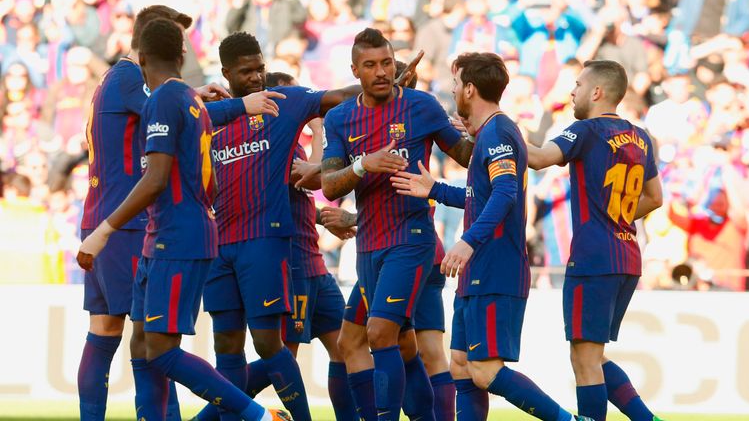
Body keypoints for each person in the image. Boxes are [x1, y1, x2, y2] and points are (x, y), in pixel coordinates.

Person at [195, 32, 419, 421]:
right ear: (226, 73)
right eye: (246, 71)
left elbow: (336, 96)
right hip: (219, 244)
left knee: (274, 344)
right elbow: (165, 119)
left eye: (260, 69)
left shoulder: (286, 104)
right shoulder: (211, 117)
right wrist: (196, 97)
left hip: (266, 243)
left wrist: (385, 80)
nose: (256, 78)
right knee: (226, 345)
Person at [76, 5, 285, 421]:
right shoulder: (135, 81)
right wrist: (239, 107)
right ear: (153, 43)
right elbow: (173, 124)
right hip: (131, 223)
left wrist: (194, 99)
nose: (180, 45)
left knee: (130, 339)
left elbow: (172, 115)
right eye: (175, 36)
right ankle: (252, 413)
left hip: (129, 221)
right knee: (147, 342)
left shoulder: (127, 84)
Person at [390, 51, 591, 421]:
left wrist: (467, 242)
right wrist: (434, 188)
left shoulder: (498, 131)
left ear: (469, 89)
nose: (451, 90)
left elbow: (504, 194)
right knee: (462, 366)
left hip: (496, 266)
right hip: (478, 268)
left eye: (455, 83)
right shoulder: (488, 133)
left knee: (484, 370)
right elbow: (476, 196)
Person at [321, 28, 473, 421]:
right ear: (355, 70)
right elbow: (330, 184)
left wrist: (486, 126)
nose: (381, 71)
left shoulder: (422, 106)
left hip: (412, 239)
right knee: (373, 342)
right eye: (370, 65)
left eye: (387, 62)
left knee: (378, 334)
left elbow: (467, 156)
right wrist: (362, 164)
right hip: (369, 244)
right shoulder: (340, 118)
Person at [526, 59, 664, 421]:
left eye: (577, 84)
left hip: (594, 258)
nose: (572, 91)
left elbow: (539, 158)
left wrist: (497, 129)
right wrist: (615, 213)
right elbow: (655, 197)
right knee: (595, 355)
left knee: (584, 359)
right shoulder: (641, 136)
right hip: (627, 256)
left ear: (597, 92)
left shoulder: (585, 130)